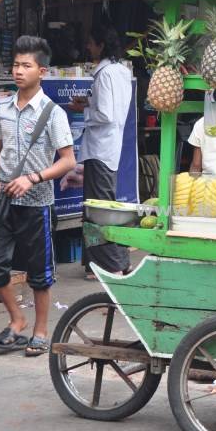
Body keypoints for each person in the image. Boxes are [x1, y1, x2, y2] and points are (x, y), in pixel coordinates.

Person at [0, 36, 76, 357]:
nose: (19, 71)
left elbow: (67, 160)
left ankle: (40, 330)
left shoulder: (53, 113)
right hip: (4, 200)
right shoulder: (2, 109)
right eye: (16, 65)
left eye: (26, 66)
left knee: (40, 275)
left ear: (42, 71)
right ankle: (17, 319)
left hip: (37, 203)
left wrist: (33, 177)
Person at [67, 25, 132, 279]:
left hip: (100, 148)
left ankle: (112, 263)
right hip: (108, 147)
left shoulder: (104, 75)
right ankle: (101, 262)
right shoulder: (120, 71)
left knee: (99, 208)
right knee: (98, 205)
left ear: (101, 45)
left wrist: (82, 110)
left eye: (92, 43)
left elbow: (105, 114)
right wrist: (89, 102)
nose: (88, 47)